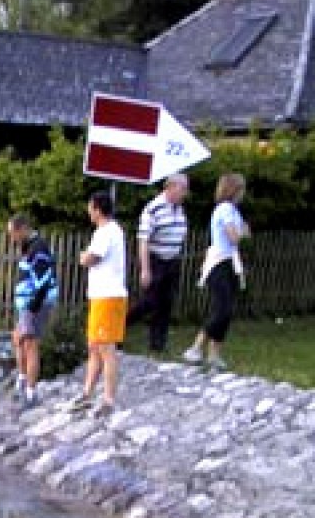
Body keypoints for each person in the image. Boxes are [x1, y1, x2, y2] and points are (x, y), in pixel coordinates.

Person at [183, 173, 249, 371]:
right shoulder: (225, 209)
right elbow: (234, 236)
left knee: (225, 310)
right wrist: (242, 232)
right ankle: (195, 347)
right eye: (241, 189)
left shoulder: (233, 211)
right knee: (223, 309)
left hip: (230, 263)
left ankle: (214, 354)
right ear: (234, 190)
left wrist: (242, 232)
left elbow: (242, 231)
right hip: (219, 262)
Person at [69, 190, 127, 417]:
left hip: (108, 295)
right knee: (94, 345)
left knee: (106, 347)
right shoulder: (109, 231)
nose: (88, 211)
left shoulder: (106, 232)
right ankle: (88, 392)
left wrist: (83, 256)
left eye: (90, 207)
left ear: (97, 208)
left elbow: (92, 258)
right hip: (101, 295)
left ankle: (109, 398)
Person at [126, 173, 189, 354]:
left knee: (166, 304)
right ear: (170, 187)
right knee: (149, 301)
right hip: (156, 260)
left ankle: (158, 344)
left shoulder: (179, 209)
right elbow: (143, 240)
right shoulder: (153, 208)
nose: (185, 193)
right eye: (182, 188)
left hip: (172, 260)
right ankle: (121, 327)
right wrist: (145, 269)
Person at [7, 213, 58, 408]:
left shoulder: (39, 248)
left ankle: (30, 392)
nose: (12, 238)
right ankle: (22, 380)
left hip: (34, 304)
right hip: (26, 304)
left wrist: (33, 307)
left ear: (22, 229)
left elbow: (43, 281)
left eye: (13, 233)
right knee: (18, 339)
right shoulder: (28, 247)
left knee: (30, 343)